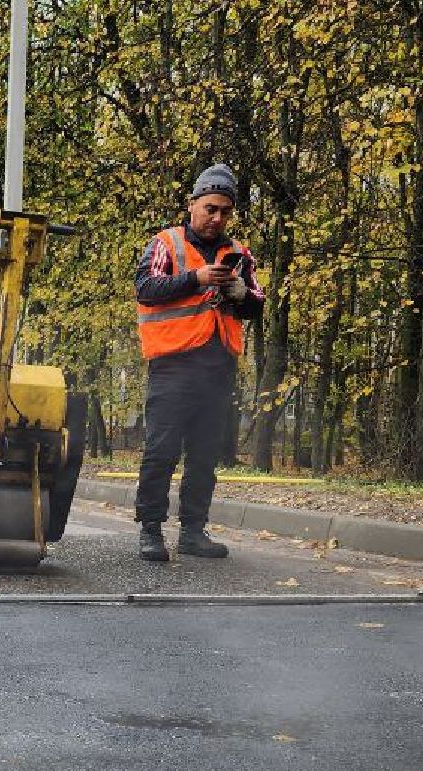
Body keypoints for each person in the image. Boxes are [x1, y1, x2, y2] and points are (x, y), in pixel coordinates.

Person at [131, 163, 264, 561]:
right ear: (192, 205)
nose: (217, 218)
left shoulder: (240, 254)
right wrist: (197, 278)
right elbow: (146, 288)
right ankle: (151, 530)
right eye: (210, 209)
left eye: (225, 211)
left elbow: (257, 306)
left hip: (217, 366)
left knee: (205, 455)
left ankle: (193, 532)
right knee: (162, 451)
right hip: (173, 365)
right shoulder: (166, 243)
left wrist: (241, 292)